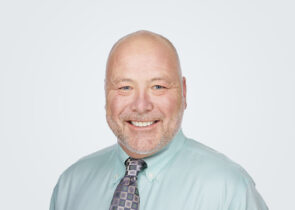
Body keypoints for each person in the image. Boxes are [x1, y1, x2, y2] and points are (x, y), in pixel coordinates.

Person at [50, 30, 268, 210]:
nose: (141, 105)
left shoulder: (229, 190)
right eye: (125, 87)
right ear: (106, 93)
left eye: (158, 87)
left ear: (183, 92)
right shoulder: (70, 185)